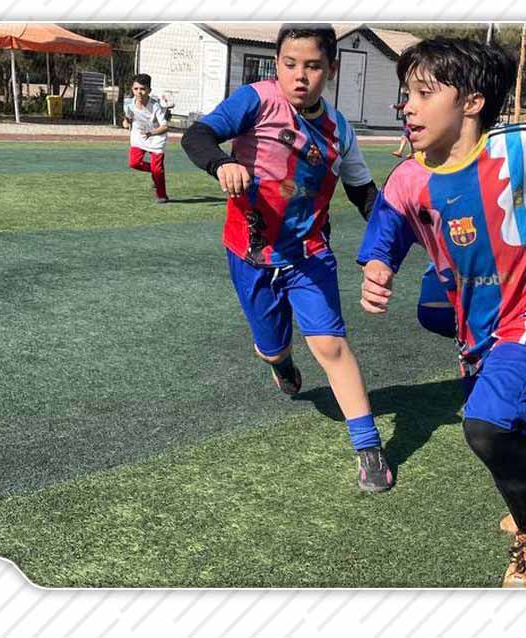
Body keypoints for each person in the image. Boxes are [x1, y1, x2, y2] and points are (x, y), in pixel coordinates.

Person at [357, 38, 526, 587]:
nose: (408, 105)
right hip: (478, 324)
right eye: (407, 93)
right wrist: (377, 268)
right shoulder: (409, 177)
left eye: (424, 93)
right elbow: (387, 229)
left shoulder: (521, 149)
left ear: (472, 102)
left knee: (485, 426)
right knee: (502, 426)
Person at [181, 24, 390, 493]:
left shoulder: (340, 131)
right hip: (249, 253)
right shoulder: (255, 100)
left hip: (309, 255)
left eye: (313, 66)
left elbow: (364, 194)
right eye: (290, 64)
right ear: (276, 63)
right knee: (272, 347)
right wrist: (222, 163)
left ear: (331, 69)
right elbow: (197, 136)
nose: (300, 76)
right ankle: (281, 364)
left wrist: (391, 239)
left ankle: (368, 445)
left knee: (331, 346)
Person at [123, 74, 169, 203]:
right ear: (132, 89)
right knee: (134, 163)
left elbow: (165, 127)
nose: (139, 92)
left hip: (156, 138)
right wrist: (126, 122)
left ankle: (161, 195)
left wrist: (152, 133)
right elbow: (128, 118)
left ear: (149, 90)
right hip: (139, 137)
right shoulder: (129, 104)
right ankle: (155, 172)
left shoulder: (155, 106)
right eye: (136, 89)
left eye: (142, 89)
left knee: (157, 169)